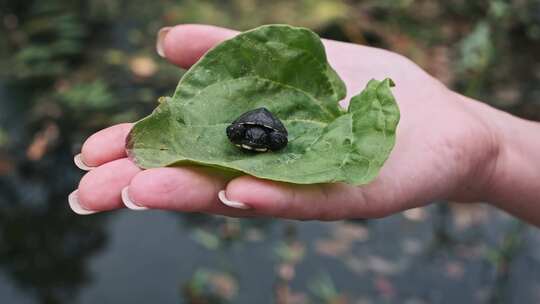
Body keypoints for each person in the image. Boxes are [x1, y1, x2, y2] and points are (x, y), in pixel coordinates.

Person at [68, 24, 540, 227]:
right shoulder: (245, 128)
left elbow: (271, 131)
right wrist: (488, 155)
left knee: (265, 137)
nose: (253, 138)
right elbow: (243, 125)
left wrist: (488, 152)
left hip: (277, 127)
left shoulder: (272, 132)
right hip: (256, 121)